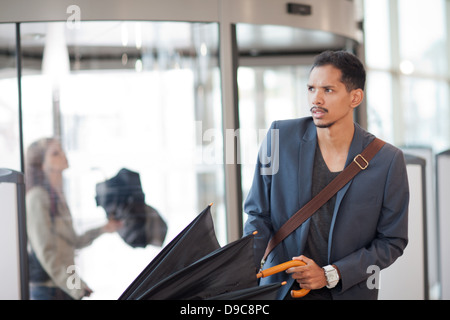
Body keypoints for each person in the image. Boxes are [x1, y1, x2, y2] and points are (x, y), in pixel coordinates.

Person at [243, 50, 409, 300]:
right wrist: (243, 269)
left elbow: (392, 241)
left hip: (347, 292)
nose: (316, 99)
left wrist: (330, 274)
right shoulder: (280, 137)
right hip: (280, 289)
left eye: (328, 90)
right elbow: (258, 214)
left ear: (355, 97)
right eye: (311, 89)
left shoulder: (387, 160)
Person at [25, 137, 122, 300]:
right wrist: (76, 286)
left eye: (62, 150)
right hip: (50, 291)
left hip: (62, 288)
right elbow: (46, 253)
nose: (63, 155)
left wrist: (104, 229)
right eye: (55, 153)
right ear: (42, 165)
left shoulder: (56, 196)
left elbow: (73, 241)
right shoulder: (37, 197)